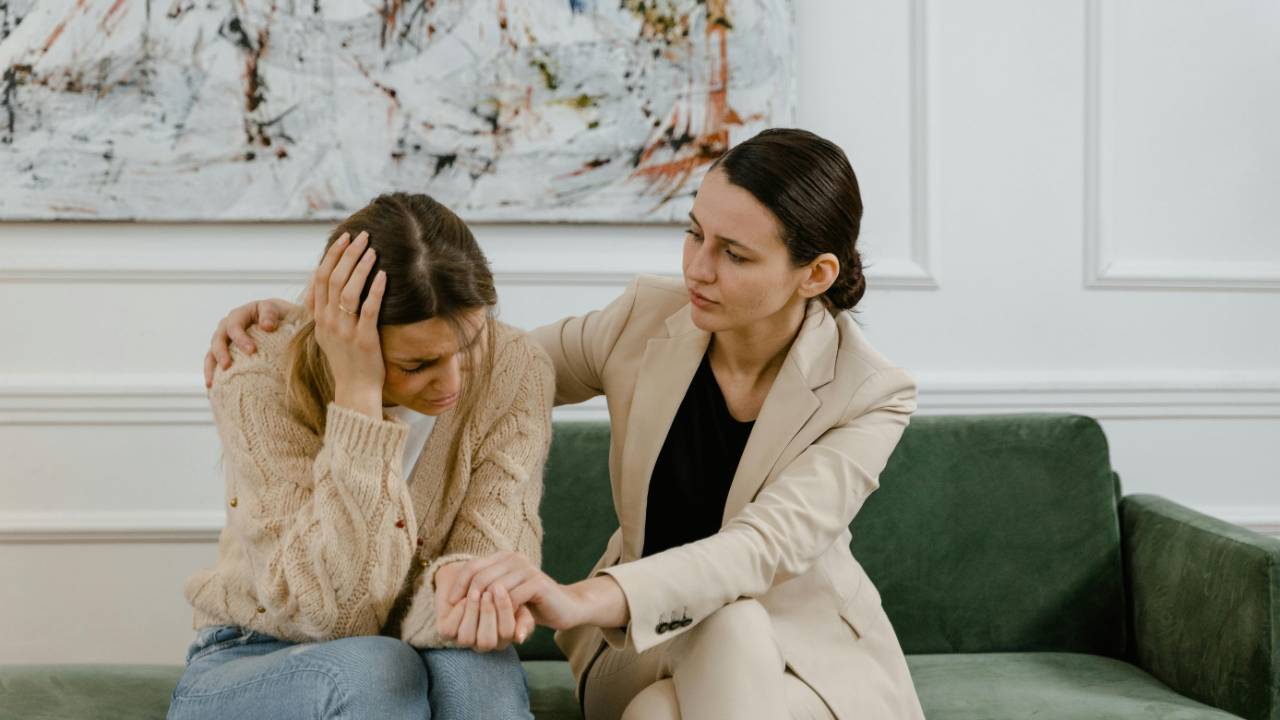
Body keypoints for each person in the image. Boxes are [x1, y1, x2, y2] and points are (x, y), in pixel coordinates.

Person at [205, 129, 925, 719]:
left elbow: (756, 551)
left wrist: (577, 598)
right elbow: (471, 357)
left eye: (733, 254)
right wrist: (315, 322)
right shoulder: (647, 321)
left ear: (816, 274)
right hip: (640, 643)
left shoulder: (872, 393)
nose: (698, 269)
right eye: (693, 234)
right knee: (711, 641)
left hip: (804, 654)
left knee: (688, 677)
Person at [173, 192, 553, 720]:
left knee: (475, 666)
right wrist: (357, 397)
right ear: (349, 337)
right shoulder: (258, 370)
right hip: (256, 653)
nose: (452, 383)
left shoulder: (516, 366)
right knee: (377, 668)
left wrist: (465, 596)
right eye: (417, 364)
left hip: (422, 645)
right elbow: (330, 614)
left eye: (469, 345)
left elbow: (485, 589)